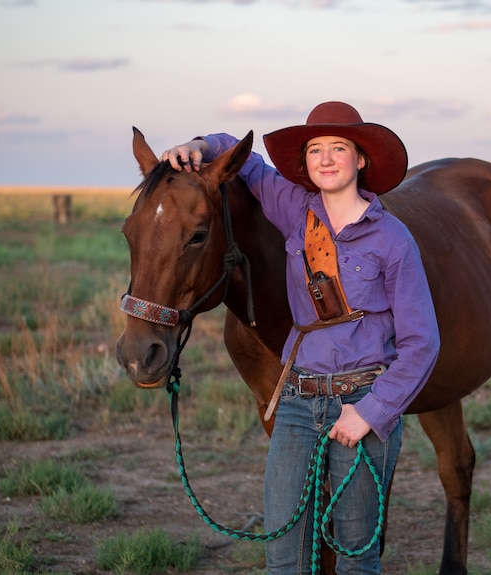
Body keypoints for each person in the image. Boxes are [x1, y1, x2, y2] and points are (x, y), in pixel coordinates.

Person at [161, 101, 440, 574]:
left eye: (338, 148)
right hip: (295, 403)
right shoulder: (294, 210)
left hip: (362, 403)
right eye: (315, 150)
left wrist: (370, 414)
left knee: (354, 558)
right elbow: (238, 154)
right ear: (306, 163)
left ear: (361, 160)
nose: (326, 159)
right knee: (284, 557)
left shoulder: (393, 239)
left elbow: (422, 344)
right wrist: (198, 145)